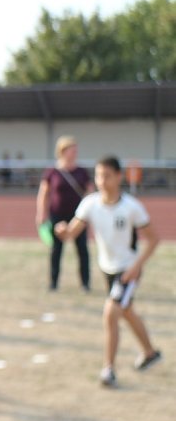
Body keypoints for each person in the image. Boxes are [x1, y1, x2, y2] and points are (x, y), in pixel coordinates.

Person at [55, 156, 162, 388]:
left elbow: (154, 240)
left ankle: (108, 369)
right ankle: (150, 352)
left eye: (107, 176)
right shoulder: (90, 204)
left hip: (128, 270)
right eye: (98, 175)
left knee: (110, 314)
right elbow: (71, 233)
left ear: (118, 177)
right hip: (108, 269)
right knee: (126, 311)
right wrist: (62, 230)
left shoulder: (132, 207)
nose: (101, 181)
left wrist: (137, 266)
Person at [35, 135, 92, 291]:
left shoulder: (82, 171)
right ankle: (53, 283)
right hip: (57, 215)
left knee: (82, 249)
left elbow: (89, 192)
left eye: (76, 150)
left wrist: (88, 213)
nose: (75, 152)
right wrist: (41, 214)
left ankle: (85, 283)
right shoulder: (52, 171)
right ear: (62, 151)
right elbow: (44, 193)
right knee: (56, 250)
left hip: (78, 217)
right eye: (72, 150)